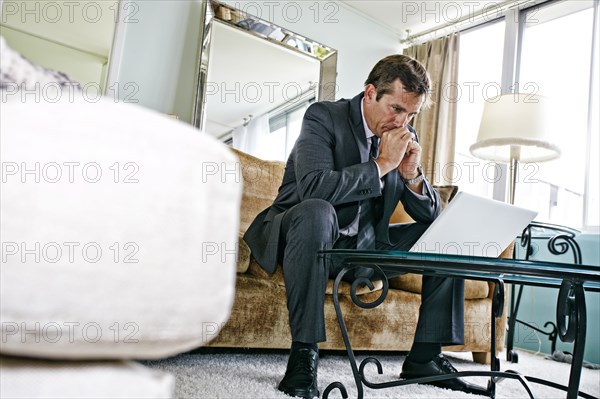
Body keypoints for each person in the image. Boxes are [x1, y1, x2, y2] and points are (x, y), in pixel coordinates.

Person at [243, 54, 487, 398]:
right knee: (317, 211)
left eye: (412, 114)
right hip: (303, 235)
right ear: (370, 93)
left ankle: (426, 359)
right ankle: (304, 354)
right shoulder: (323, 117)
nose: (403, 121)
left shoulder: (404, 135)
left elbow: (431, 215)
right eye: (397, 109)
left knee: (446, 236)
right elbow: (314, 187)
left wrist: (409, 173)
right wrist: (382, 163)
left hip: (362, 247)